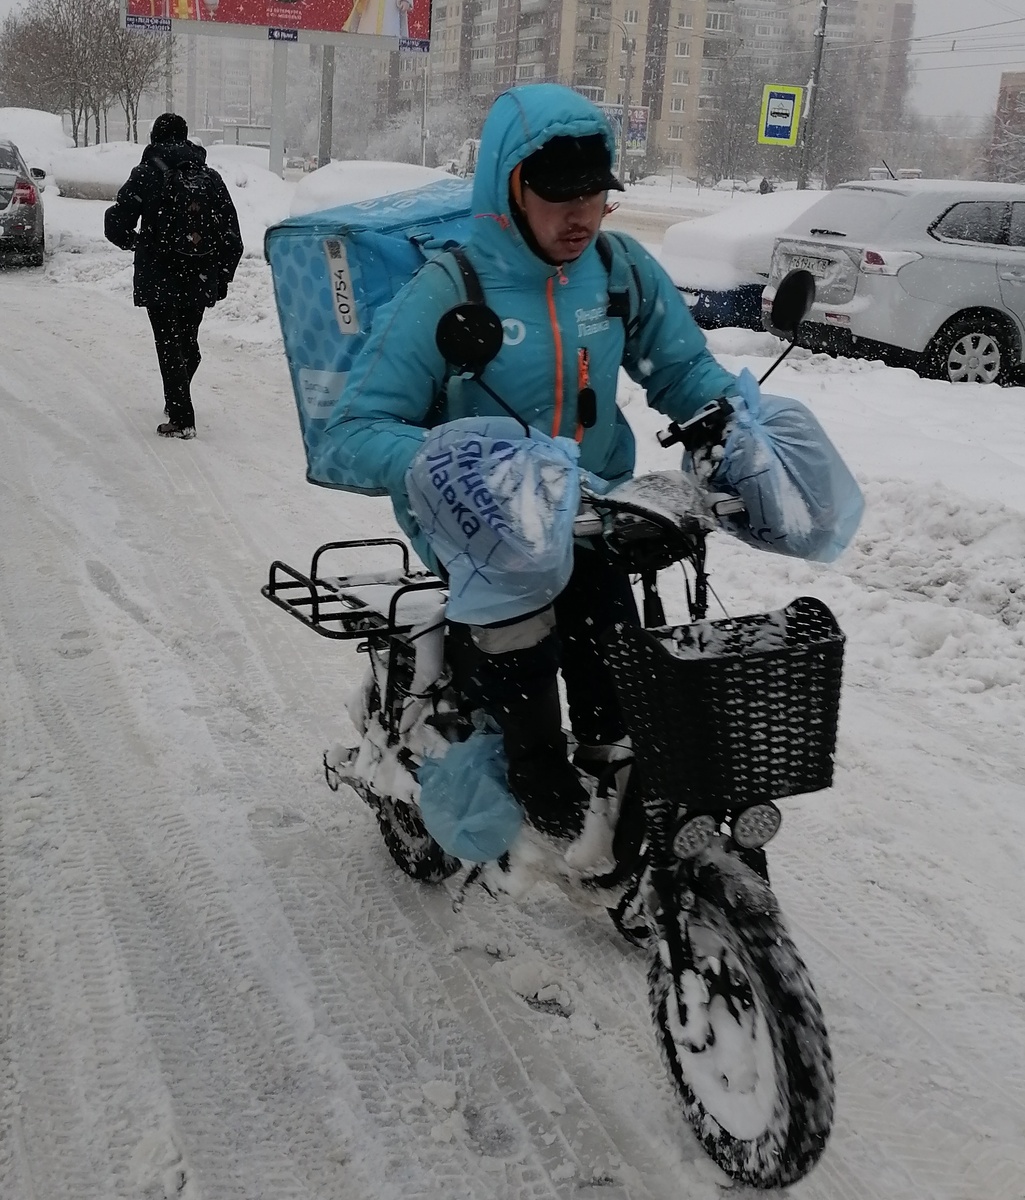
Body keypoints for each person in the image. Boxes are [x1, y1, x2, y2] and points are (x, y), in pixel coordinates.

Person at [312, 84, 742, 838]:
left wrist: (724, 422)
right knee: (528, 721)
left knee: (621, 676)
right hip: (484, 537)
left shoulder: (617, 270)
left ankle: (615, 819)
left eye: (594, 194)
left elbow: (680, 370)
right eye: (557, 195)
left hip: (591, 515)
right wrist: (453, 462)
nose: (580, 216)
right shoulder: (451, 287)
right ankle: (531, 789)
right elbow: (352, 432)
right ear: (510, 187)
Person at [104, 113, 243, 439]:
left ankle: (182, 419)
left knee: (169, 343)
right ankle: (178, 393)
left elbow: (116, 223)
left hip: (160, 273)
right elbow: (231, 234)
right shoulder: (210, 178)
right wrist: (222, 276)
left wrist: (134, 242)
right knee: (185, 342)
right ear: (185, 137)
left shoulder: (145, 174)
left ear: (154, 137)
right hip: (199, 274)